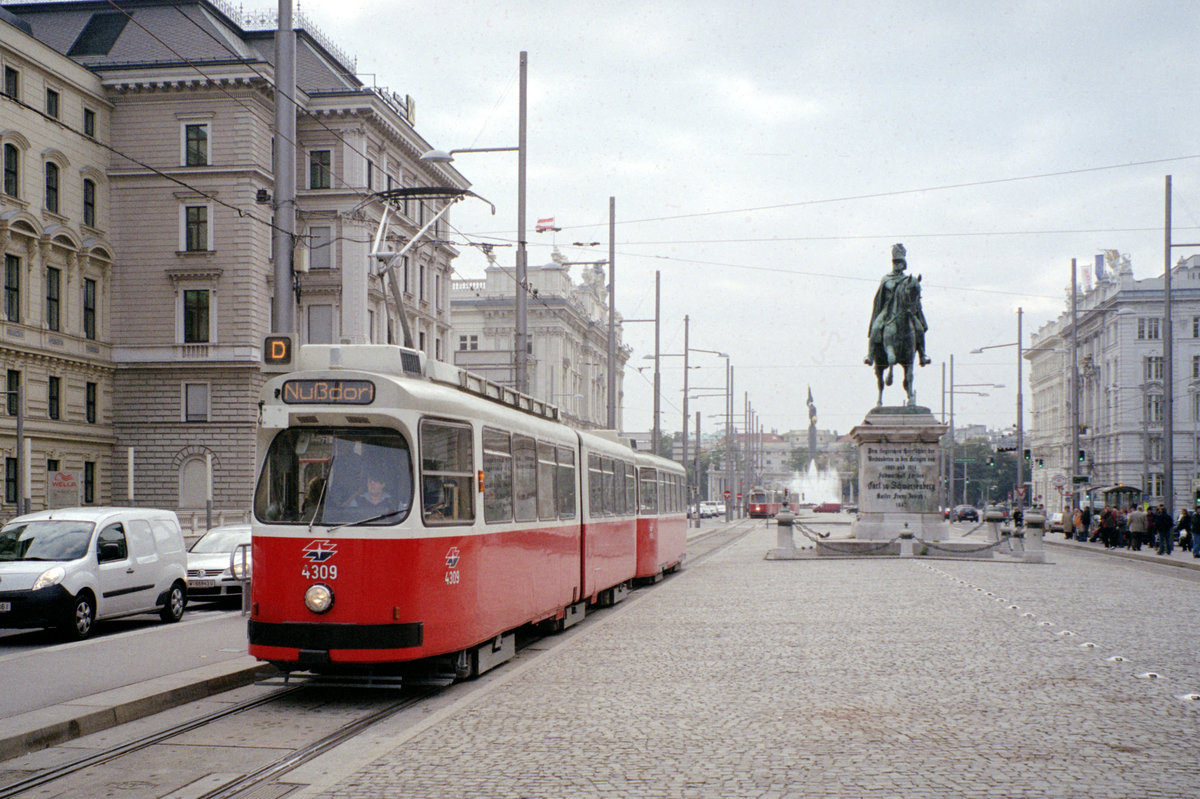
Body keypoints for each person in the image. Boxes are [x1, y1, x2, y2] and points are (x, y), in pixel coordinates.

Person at [864, 243, 931, 368]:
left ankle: (922, 354)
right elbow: (879, 299)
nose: (898, 265)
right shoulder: (886, 279)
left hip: (905, 311)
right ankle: (870, 355)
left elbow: (913, 296)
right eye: (896, 262)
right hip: (887, 310)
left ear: (904, 264)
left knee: (919, 328)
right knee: (876, 327)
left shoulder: (907, 281)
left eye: (900, 262)